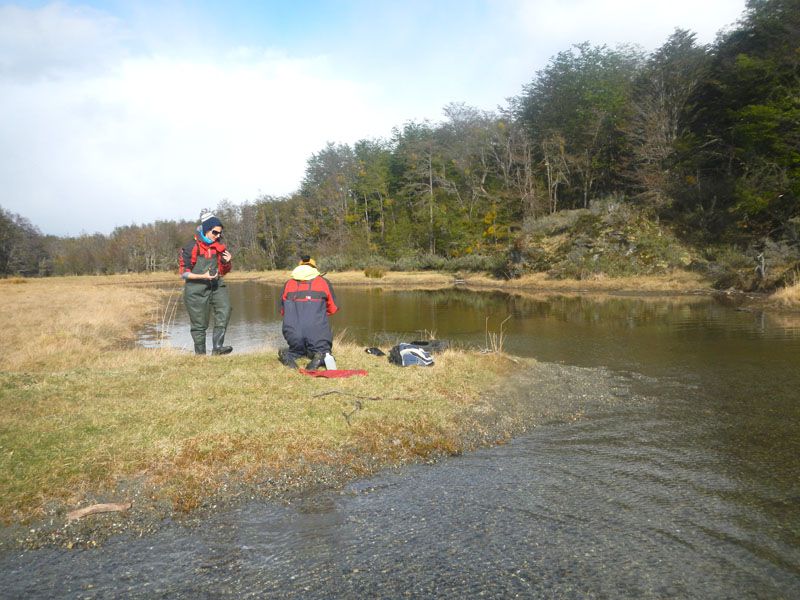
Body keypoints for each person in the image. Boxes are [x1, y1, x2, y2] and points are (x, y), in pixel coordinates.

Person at [178, 211, 233, 355]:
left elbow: (224, 270)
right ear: (206, 230)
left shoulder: (219, 246)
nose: (218, 236)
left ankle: (217, 349)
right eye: (215, 232)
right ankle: (200, 356)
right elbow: (183, 273)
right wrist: (203, 276)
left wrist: (226, 262)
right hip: (195, 289)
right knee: (199, 324)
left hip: (216, 285)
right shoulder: (191, 247)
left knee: (225, 309)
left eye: (219, 233)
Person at [279, 255, 338, 369]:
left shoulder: (288, 284)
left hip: (293, 337)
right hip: (317, 334)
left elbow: (282, 311)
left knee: (297, 350)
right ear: (314, 268)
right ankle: (320, 355)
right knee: (322, 350)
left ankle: (290, 355)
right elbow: (332, 309)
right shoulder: (323, 282)